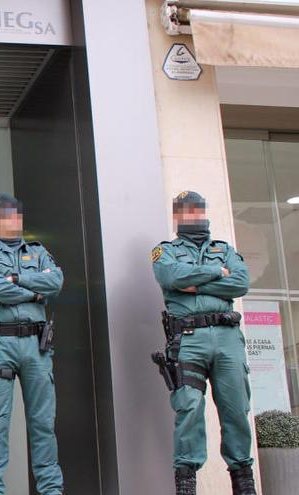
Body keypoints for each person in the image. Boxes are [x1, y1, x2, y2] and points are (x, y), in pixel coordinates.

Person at [151, 190, 255, 495]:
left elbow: (240, 283)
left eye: (195, 209)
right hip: (189, 339)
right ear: (176, 216)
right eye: (184, 210)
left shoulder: (226, 249)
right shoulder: (165, 251)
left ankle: (243, 481)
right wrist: (215, 273)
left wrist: (193, 284)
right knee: (189, 409)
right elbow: (170, 277)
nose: (190, 215)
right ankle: (186, 485)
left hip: (227, 339)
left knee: (236, 409)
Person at [0, 193, 64, 495]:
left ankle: (51, 490)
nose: (9, 220)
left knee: (43, 423)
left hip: (37, 346)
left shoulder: (38, 251)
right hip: (1, 345)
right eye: (2, 215)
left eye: (13, 214)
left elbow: (56, 281)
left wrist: (12, 280)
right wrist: (35, 291)